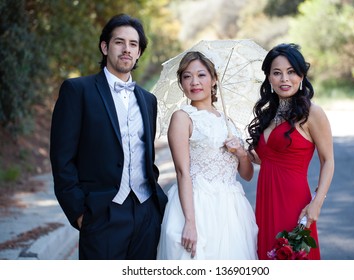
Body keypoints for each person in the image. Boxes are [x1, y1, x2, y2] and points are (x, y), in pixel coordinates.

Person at [50, 14, 168, 260]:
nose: (127, 49)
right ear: (105, 47)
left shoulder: (149, 100)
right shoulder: (77, 91)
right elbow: (62, 158)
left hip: (146, 213)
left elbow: (146, 156)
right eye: (119, 42)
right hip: (101, 214)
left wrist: (154, 209)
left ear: (138, 53)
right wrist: (79, 212)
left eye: (133, 44)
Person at [156, 51, 258, 260]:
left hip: (231, 208)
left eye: (201, 75)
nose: (194, 82)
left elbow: (247, 175)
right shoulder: (182, 118)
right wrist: (190, 223)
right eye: (187, 76)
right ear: (181, 83)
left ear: (214, 80)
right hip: (197, 205)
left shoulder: (228, 121)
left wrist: (241, 153)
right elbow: (182, 172)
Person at [247, 43, 334, 260]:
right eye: (277, 73)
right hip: (265, 201)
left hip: (294, 204)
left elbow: (328, 160)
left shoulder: (312, 113)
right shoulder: (268, 115)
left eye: (291, 72)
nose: (284, 79)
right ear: (269, 78)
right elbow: (267, 160)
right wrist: (240, 151)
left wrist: (317, 203)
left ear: (301, 75)